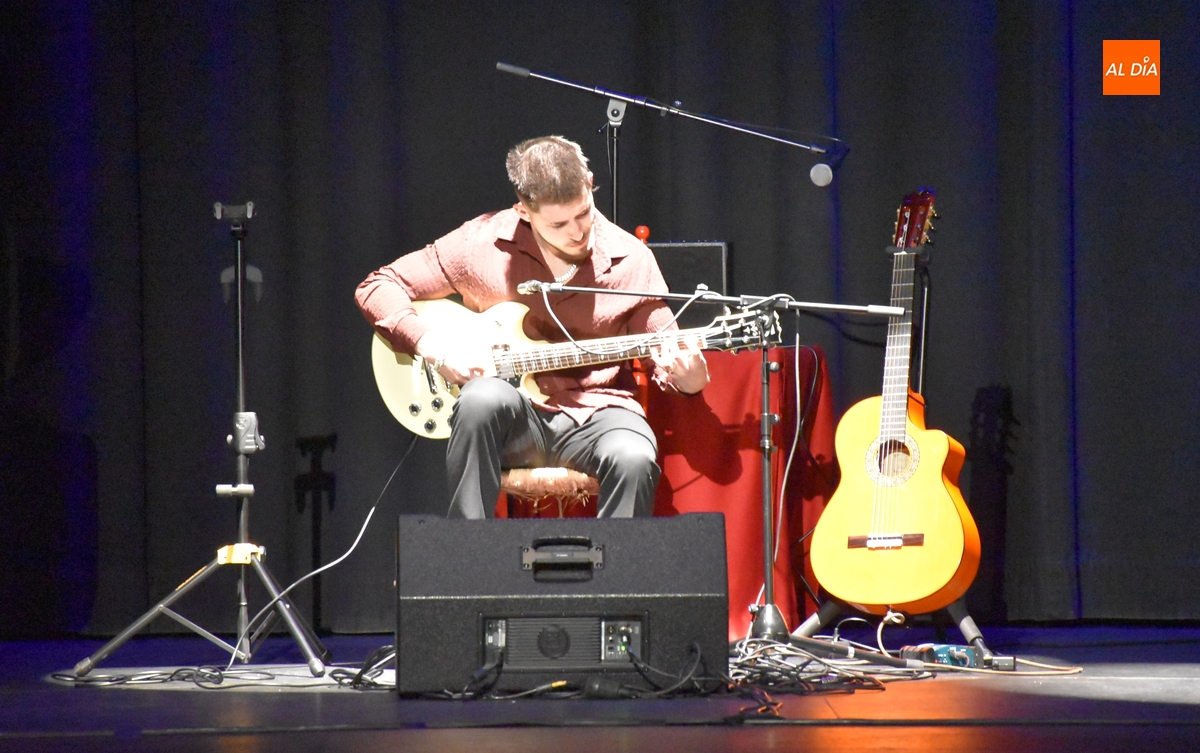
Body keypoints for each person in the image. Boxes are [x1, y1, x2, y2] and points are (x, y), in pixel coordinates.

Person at [355, 135, 708, 519]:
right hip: (513, 417)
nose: (577, 232)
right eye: (558, 224)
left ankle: (618, 560)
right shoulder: (482, 243)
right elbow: (377, 286)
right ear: (524, 210)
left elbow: (667, 352)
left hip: (598, 412)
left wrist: (690, 378)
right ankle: (469, 552)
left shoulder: (630, 260)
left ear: (590, 183)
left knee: (634, 455)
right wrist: (433, 347)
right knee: (479, 400)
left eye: (583, 213)